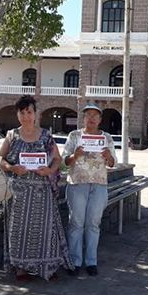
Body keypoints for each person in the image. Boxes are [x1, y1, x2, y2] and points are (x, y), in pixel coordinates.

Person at [0, 95, 72, 281]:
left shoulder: (46, 136)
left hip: (42, 191)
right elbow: (1, 160)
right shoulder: (12, 135)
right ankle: (21, 268)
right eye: (22, 112)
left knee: (45, 228)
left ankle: (47, 266)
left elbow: (57, 159)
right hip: (18, 193)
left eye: (29, 112)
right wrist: (12, 167)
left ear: (35, 113)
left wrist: (49, 170)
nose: (25, 116)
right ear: (17, 114)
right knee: (19, 229)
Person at [63, 103, 116, 276]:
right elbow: (65, 162)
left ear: (100, 119)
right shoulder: (74, 135)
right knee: (76, 223)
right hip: (77, 183)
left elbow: (112, 163)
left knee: (93, 223)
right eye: (88, 115)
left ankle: (91, 261)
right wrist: (74, 156)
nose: (91, 118)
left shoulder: (106, 137)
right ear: (83, 118)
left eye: (95, 115)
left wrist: (109, 157)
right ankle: (75, 261)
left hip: (99, 184)